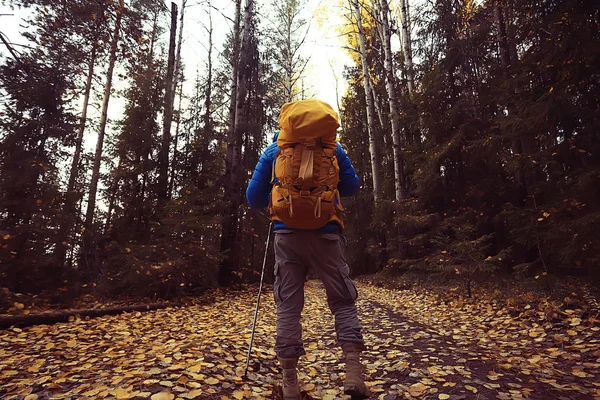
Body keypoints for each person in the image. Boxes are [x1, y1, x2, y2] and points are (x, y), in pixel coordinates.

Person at [246, 99, 370, 399]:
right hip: (327, 234)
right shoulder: (333, 150)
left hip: (287, 236)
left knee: (288, 306)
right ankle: (353, 373)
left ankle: (290, 384)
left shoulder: (275, 150)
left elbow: (253, 198)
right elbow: (352, 187)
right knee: (342, 300)